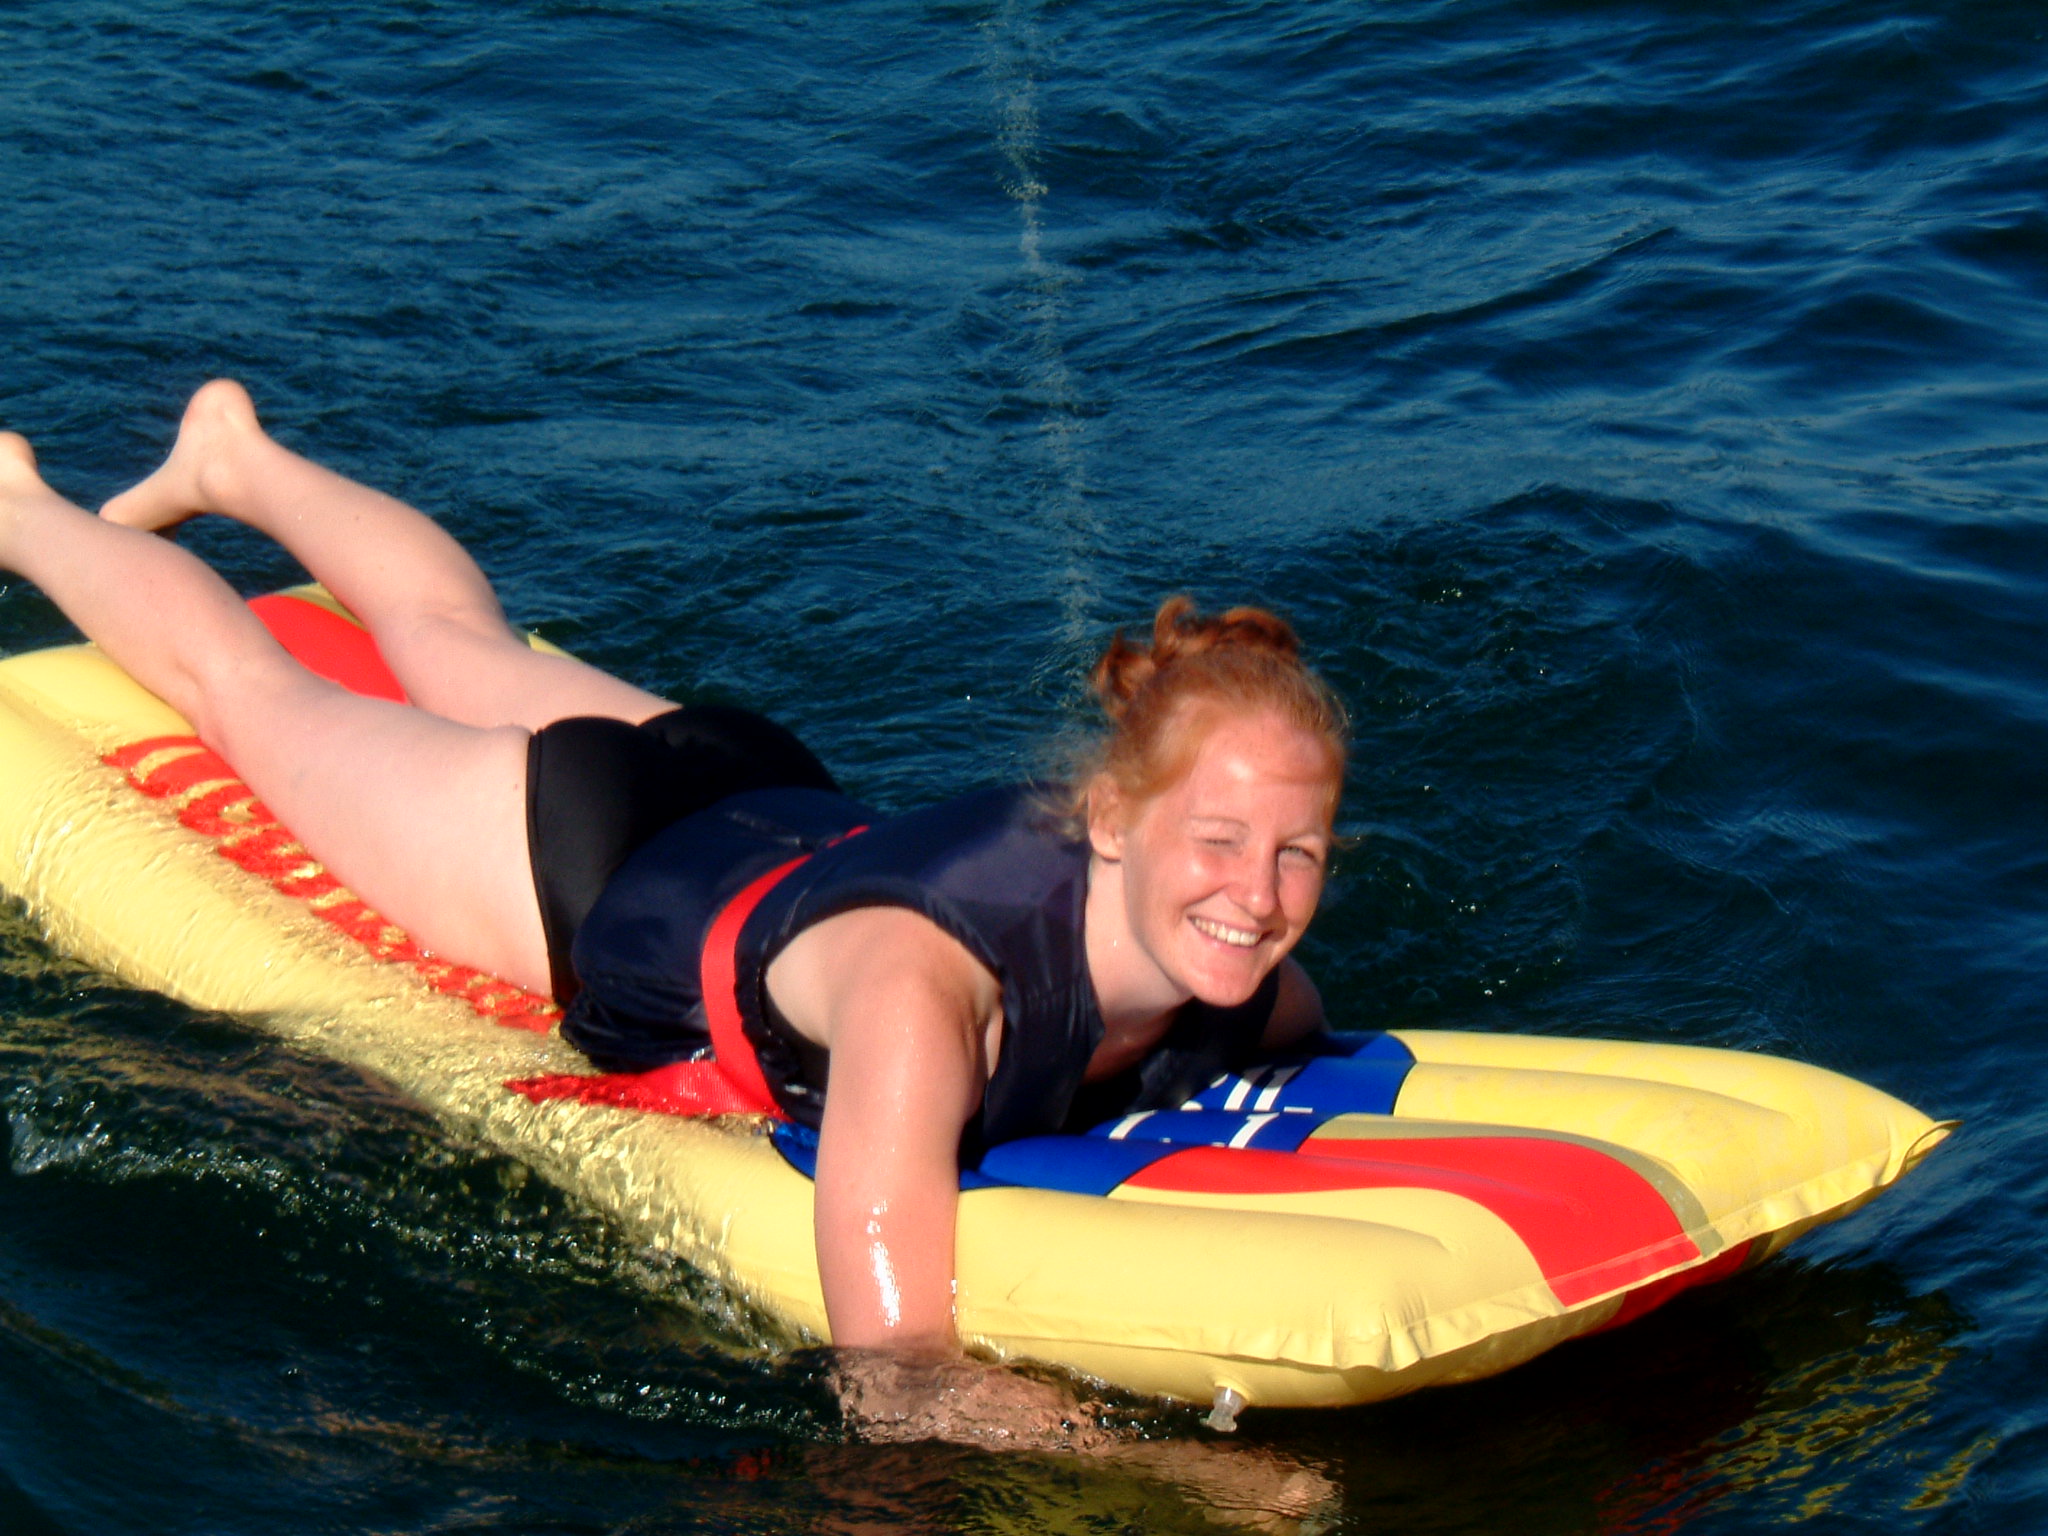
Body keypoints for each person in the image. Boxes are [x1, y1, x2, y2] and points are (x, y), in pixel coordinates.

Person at [0, 381, 1347, 1441]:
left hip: (763, 793)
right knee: (251, 691)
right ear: (1111, 820)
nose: (1256, 895)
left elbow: (1292, 1019)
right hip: (569, 856)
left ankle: (232, 456)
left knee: (458, 638)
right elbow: (893, 1371)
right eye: (1217, 840)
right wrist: (1172, 1468)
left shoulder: (1254, 989)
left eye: (1298, 853)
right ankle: (17, 504)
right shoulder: (924, 1006)